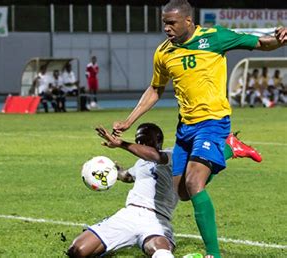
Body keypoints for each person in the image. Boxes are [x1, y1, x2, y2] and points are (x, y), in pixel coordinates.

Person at [111, 1, 286, 257]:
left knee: (195, 183)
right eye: (164, 23)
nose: (166, 28)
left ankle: (213, 254)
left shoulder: (215, 37)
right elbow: (156, 89)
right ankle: (230, 149)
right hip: (185, 127)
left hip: (214, 122)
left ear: (188, 22)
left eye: (172, 23)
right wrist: (128, 121)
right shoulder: (163, 52)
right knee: (182, 192)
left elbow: (260, 43)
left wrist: (280, 41)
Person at [67, 124, 262, 258]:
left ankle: (229, 148)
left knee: (160, 252)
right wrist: (114, 172)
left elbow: (155, 156)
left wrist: (123, 144)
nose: (142, 145)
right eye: (139, 141)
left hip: (157, 221)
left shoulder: (170, 155)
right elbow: (128, 176)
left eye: (146, 140)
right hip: (127, 215)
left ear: (158, 141)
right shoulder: (140, 162)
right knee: (77, 250)